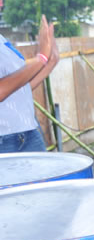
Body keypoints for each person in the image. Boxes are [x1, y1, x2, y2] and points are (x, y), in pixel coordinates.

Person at [0, 15, 60, 153]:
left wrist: (50, 62)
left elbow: (19, 90)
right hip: (5, 140)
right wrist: (41, 58)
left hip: (27, 133)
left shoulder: (2, 40)